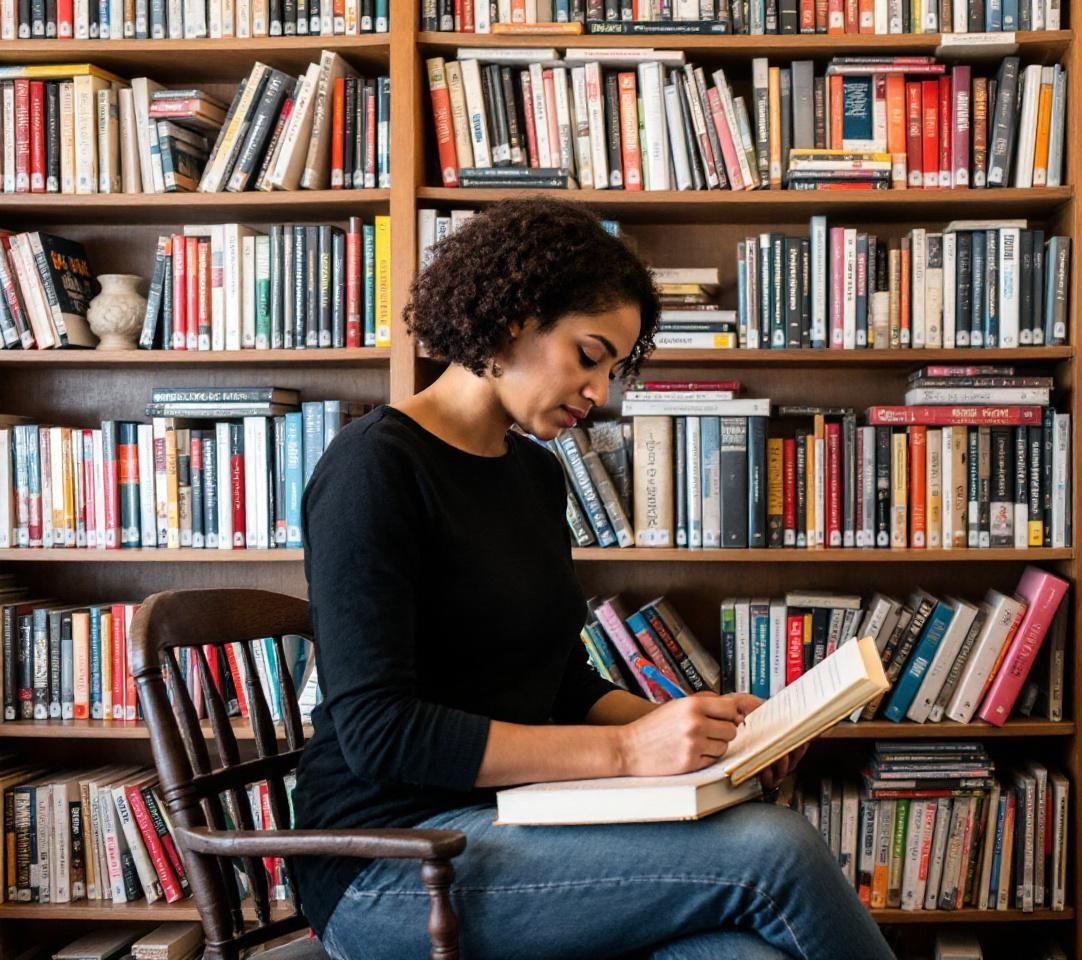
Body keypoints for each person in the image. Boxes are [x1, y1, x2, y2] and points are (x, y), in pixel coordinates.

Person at [295, 197, 896, 960]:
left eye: (614, 368)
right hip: (391, 863)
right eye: (588, 355)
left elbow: (558, 684)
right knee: (773, 851)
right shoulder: (373, 468)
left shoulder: (536, 477)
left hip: (518, 820)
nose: (600, 393)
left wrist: (704, 732)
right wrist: (625, 755)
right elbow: (382, 733)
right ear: (515, 319)